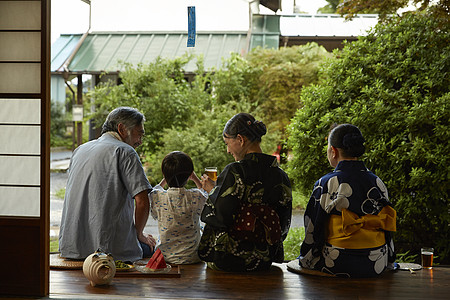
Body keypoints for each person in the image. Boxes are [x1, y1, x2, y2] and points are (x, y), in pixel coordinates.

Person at [296, 123, 396, 277]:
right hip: (376, 261)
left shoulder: (326, 183)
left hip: (337, 261)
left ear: (333, 151)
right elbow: (387, 226)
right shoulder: (377, 182)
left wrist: (307, 257)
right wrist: (389, 259)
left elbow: (313, 227)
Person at [59, 107, 156, 262]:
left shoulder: (80, 150)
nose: (140, 141)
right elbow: (143, 201)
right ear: (122, 129)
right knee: (153, 248)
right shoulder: (126, 151)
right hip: (107, 251)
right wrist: (139, 235)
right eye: (139, 133)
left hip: (72, 247)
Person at [198, 113, 292, 272]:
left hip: (229, 259)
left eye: (227, 143)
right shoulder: (281, 175)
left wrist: (213, 191)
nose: (228, 150)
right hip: (264, 259)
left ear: (240, 139)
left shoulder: (235, 171)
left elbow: (220, 216)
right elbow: (284, 225)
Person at [149, 151, 208, 264]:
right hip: (192, 256)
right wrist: (195, 178)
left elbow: (155, 190)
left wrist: (166, 178)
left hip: (165, 257)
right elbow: (205, 194)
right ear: (190, 174)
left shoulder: (157, 197)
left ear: (164, 174)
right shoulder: (196, 196)